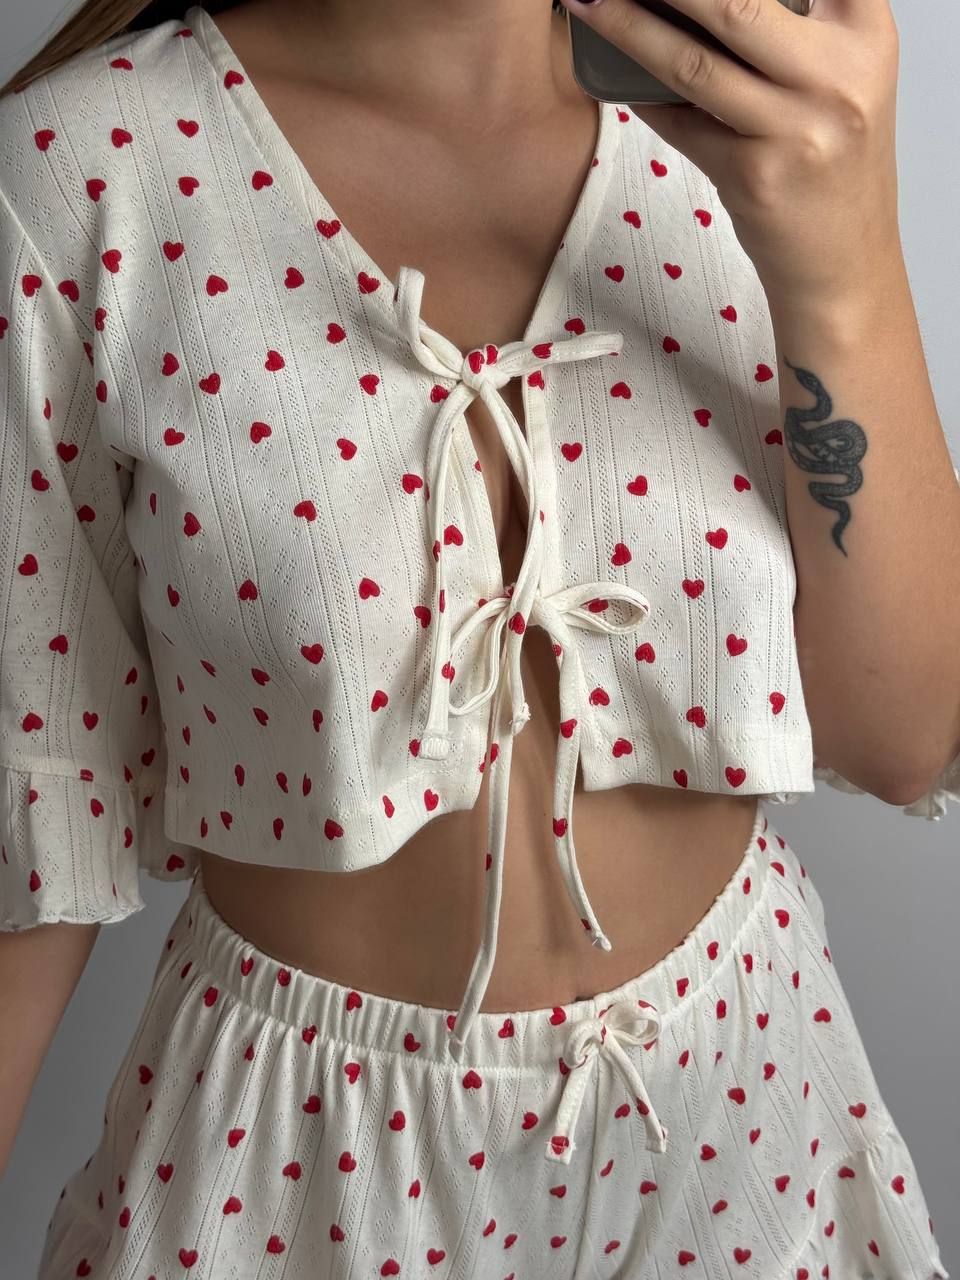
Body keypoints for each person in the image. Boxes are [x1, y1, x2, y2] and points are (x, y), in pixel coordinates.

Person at [0, 1, 956, 1276]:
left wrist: (842, 260)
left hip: (746, 1112)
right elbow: (38, 786)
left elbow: (903, 741)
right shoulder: (75, 172)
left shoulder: (760, 121)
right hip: (300, 1166)